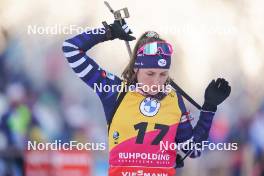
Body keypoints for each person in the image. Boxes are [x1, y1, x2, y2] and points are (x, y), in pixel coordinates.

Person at [62, 20, 231, 176]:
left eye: (163, 74)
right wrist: (108, 32)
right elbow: (71, 49)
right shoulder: (114, 90)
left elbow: (193, 150)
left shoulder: (174, 99)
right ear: (136, 68)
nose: (156, 82)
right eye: (150, 73)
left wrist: (208, 109)